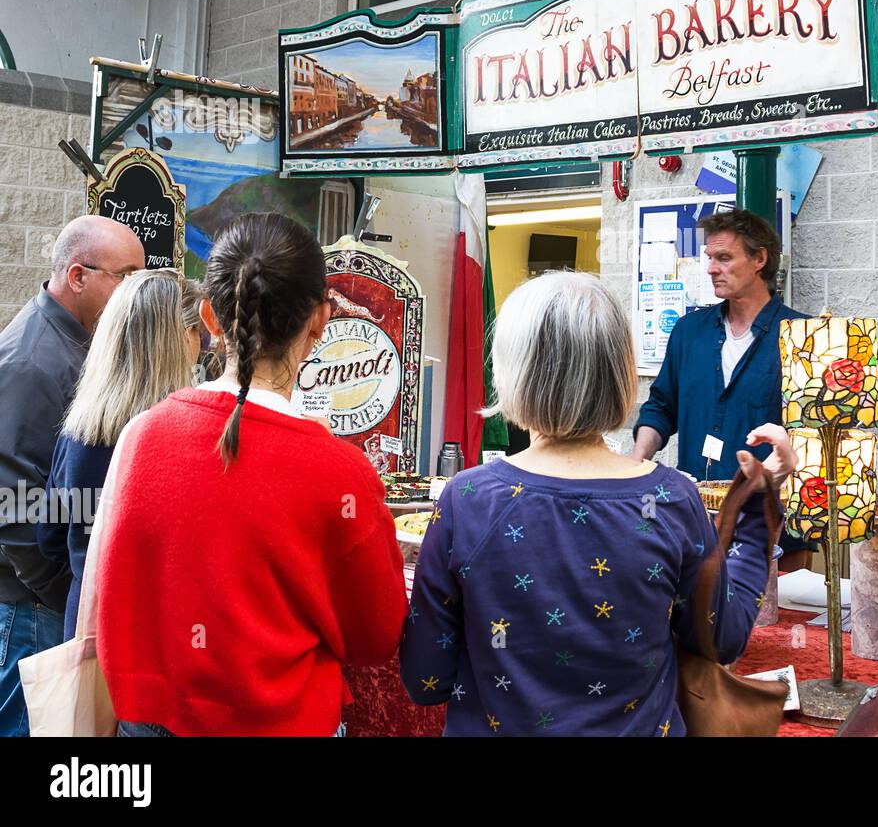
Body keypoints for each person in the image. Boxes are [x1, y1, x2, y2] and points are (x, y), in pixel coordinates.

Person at [400, 271, 795, 736]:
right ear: (621, 374)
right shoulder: (670, 498)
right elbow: (723, 639)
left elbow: (426, 680)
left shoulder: (468, 499)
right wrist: (755, 512)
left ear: (512, 372)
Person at [97, 214, 407, 736]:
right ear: (320, 320)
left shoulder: (142, 436)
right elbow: (378, 635)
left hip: (153, 722)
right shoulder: (339, 472)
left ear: (209, 319)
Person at [0, 214, 144, 736]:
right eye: (124, 276)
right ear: (78, 276)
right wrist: (58, 594)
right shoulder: (32, 361)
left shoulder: (73, 340)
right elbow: (11, 503)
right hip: (27, 609)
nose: (133, 292)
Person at [631, 208, 815, 569]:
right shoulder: (689, 331)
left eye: (724, 258)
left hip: (774, 533)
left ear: (760, 259)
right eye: (710, 258)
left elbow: (814, 432)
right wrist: (635, 463)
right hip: (694, 527)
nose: (712, 268)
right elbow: (661, 406)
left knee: (774, 627)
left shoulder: (803, 337)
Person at [38, 270, 195, 640]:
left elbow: (50, 536)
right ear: (177, 339)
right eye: (195, 331)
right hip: (160, 634)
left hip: (88, 627)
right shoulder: (188, 435)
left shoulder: (78, 430)